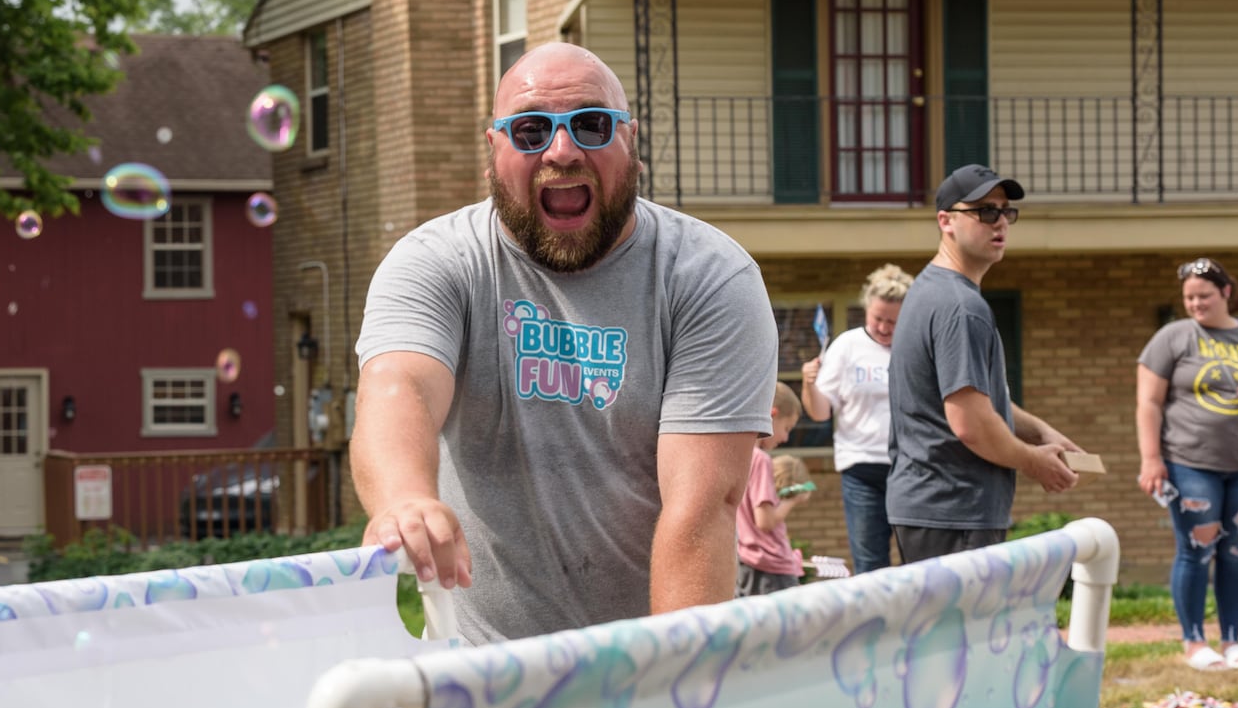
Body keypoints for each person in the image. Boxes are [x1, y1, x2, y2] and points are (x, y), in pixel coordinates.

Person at [350, 42, 778, 645]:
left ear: (631, 140)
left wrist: (669, 685)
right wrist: (404, 500)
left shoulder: (708, 277)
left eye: (591, 124)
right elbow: (401, 387)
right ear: (493, 150)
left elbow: (700, 512)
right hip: (477, 669)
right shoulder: (435, 262)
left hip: (638, 660)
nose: (562, 151)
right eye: (529, 130)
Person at [885, 164, 1082, 564]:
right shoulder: (961, 307)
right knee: (964, 630)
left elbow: (973, 399)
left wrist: (1040, 432)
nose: (1000, 223)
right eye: (984, 212)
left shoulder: (932, 290)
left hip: (936, 509)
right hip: (954, 509)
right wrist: (1033, 462)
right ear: (947, 221)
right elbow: (971, 423)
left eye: (1005, 211)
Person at [1136, 257, 1238, 672]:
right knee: (1197, 549)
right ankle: (1194, 641)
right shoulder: (1174, 337)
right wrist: (1150, 460)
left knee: (1236, 550)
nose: (1196, 304)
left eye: (1204, 296)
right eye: (1189, 298)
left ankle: (1232, 639)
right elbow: (1148, 401)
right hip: (1188, 462)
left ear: (1226, 294)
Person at [800, 263, 914, 572]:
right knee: (870, 565)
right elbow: (821, 412)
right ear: (866, 309)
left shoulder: (914, 346)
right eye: (878, 318)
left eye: (893, 321)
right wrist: (809, 383)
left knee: (916, 562)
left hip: (910, 467)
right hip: (861, 468)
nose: (884, 328)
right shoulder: (848, 346)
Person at [736, 383, 809, 596]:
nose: (786, 438)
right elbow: (765, 521)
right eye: (786, 428)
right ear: (772, 414)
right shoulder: (760, 460)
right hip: (770, 565)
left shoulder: (740, 455)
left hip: (744, 562)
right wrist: (793, 500)